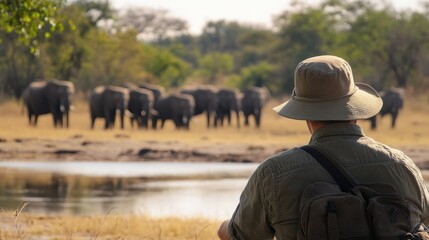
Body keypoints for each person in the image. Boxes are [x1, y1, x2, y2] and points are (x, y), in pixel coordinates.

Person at [217, 55, 429, 240]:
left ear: (305, 113)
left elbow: (240, 236)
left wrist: (224, 227)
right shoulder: (402, 166)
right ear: (355, 108)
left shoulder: (274, 172)